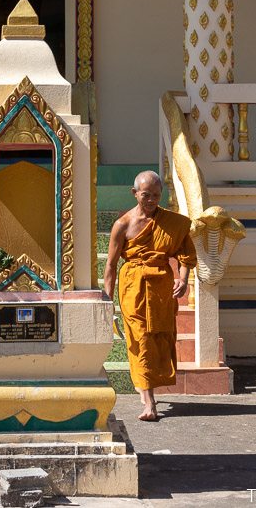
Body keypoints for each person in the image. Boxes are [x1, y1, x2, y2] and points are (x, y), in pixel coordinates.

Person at [103, 171, 197, 421]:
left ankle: (144, 385)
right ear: (135, 194)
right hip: (133, 286)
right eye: (146, 195)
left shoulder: (171, 222)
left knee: (158, 339)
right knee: (141, 339)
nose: (152, 200)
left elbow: (185, 253)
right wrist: (107, 301)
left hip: (161, 288)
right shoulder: (122, 225)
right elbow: (111, 266)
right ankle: (149, 401)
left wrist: (184, 278)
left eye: (156, 195)